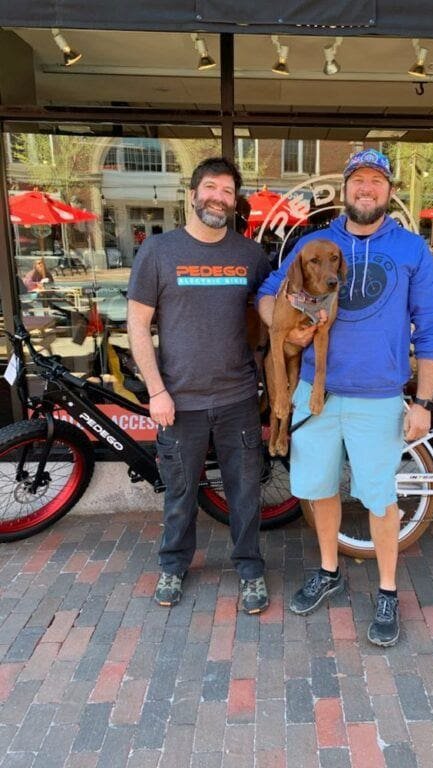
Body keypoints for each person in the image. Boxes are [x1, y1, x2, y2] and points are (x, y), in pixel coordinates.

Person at [257, 149, 433, 647]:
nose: (367, 188)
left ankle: (386, 590)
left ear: (389, 191)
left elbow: (430, 330)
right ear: (345, 189)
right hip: (315, 391)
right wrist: (284, 328)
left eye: (377, 181)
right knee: (319, 490)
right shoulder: (316, 242)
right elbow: (268, 292)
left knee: (381, 499)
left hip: (379, 396)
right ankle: (328, 570)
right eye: (358, 180)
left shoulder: (412, 250)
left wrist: (422, 403)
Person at [127, 157, 271, 613]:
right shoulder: (158, 251)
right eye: (210, 187)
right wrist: (156, 390)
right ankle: (173, 565)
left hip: (238, 399)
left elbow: (270, 318)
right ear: (192, 194)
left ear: (234, 202)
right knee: (180, 491)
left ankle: (250, 570)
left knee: (245, 491)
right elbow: (137, 325)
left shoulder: (250, 256)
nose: (218, 197)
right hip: (179, 401)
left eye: (228, 191)